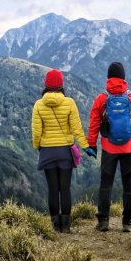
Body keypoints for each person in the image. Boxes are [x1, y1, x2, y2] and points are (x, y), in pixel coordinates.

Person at [32, 69, 97, 233]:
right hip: (65, 152)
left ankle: (55, 227)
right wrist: (86, 147)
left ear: (46, 85)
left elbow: (36, 132)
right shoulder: (69, 103)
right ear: (61, 85)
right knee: (65, 189)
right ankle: (66, 227)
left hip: (47, 151)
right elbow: (77, 129)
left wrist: (38, 146)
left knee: (53, 189)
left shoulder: (39, 104)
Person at [88, 62, 131, 232]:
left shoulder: (102, 98)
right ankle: (127, 222)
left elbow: (94, 122)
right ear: (123, 77)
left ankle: (103, 221)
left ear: (108, 77)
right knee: (129, 184)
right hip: (129, 147)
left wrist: (92, 143)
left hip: (109, 148)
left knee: (106, 183)